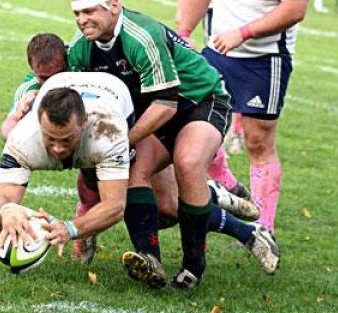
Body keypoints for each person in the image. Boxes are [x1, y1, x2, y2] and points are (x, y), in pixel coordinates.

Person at [68, 0, 279, 289]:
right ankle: (151, 259)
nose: (82, 19)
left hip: (199, 101)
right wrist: (28, 95)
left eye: (89, 11)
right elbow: (57, 80)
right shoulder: (82, 46)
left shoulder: (142, 35)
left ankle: (193, 266)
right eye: (77, 13)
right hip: (154, 112)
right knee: (157, 198)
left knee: (188, 163)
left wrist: (121, 141)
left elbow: (166, 104)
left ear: (114, 6)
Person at [176, 0, 308, 232]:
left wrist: (243, 33)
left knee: (258, 142)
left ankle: (263, 228)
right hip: (216, 52)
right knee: (193, 124)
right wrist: (184, 32)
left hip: (265, 59)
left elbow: (294, 10)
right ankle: (227, 182)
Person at [0, 72, 133, 254]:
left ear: (84, 122)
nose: (58, 149)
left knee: (161, 206)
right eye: (50, 138)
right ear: (39, 122)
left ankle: (86, 229)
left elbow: (115, 206)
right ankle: (2, 177)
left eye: (66, 139)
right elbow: (1, 205)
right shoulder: (22, 138)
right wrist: (7, 209)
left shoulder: (109, 134)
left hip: (115, 93)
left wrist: (70, 228)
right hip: (60, 83)